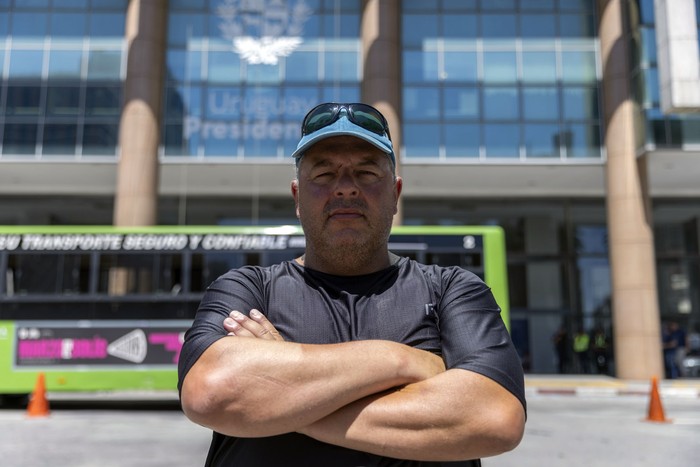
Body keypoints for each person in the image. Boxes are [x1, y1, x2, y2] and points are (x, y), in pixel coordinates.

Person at [177, 102, 527, 466]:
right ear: (298, 198)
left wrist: (282, 395)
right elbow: (212, 393)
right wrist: (402, 360)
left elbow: (494, 418)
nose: (345, 188)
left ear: (395, 194)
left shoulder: (452, 289)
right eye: (324, 174)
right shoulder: (249, 289)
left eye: (366, 172)